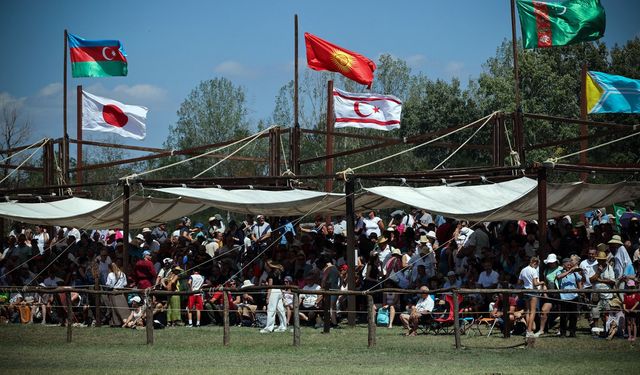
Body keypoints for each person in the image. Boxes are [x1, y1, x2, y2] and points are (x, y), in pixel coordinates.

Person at [556, 257, 583, 338]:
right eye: (567, 264)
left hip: (574, 296)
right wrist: (569, 271)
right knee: (563, 316)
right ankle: (563, 333)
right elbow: (558, 277)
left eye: (570, 264)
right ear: (563, 265)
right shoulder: (559, 271)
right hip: (563, 297)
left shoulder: (575, 273)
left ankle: (572, 332)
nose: (569, 265)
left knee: (573, 316)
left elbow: (579, 281)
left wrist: (580, 292)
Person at [518, 256, 545, 337]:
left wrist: (526, 283)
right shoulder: (533, 270)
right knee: (532, 311)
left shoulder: (523, 270)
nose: (537, 267)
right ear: (534, 263)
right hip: (533, 291)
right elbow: (535, 284)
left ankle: (528, 329)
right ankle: (529, 331)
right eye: (537, 265)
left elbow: (519, 282)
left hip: (525, 291)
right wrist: (542, 282)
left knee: (527, 311)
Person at [260, 259, 287, 333]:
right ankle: (283, 326)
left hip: (273, 292)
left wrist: (268, 297)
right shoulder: (279, 272)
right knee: (280, 310)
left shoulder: (271, 274)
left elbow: (270, 286)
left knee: (271, 310)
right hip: (279, 291)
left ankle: (269, 328)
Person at [591, 249, 615, 329]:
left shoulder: (609, 268)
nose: (600, 261)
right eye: (599, 260)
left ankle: (606, 329)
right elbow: (591, 280)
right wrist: (598, 272)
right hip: (596, 295)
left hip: (607, 295)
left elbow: (612, 281)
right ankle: (596, 330)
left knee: (607, 314)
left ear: (605, 260)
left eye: (602, 260)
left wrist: (600, 280)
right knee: (595, 314)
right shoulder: (594, 267)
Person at [104, 262, 129, 327]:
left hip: (114, 292)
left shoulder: (110, 274)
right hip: (121, 292)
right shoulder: (122, 274)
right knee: (123, 307)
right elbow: (125, 283)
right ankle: (126, 321)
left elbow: (109, 284)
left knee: (114, 308)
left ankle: (117, 322)